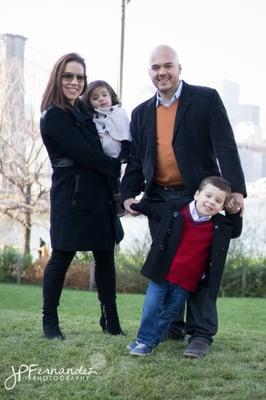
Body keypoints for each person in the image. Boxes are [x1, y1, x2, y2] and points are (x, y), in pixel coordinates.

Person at [121, 44, 246, 358]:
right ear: (149, 72)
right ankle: (171, 327)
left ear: (179, 68)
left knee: (201, 267)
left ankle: (200, 334)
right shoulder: (140, 113)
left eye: (168, 66)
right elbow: (137, 160)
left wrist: (236, 191)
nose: (162, 72)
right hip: (160, 200)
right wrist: (126, 194)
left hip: (198, 198)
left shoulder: (205, 99)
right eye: (155, 68)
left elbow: (225, 146)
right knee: (167, 267)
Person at [40, 53, 124, 340]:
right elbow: (84, 153)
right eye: (69, 76)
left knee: (105, 257)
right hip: (70, 195)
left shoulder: (86, 113)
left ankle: (110, 319)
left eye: (79, 77)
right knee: (61, 256)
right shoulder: (54, 115)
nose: (75, 82)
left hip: (98, 193)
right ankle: (50, 321)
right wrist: (117, 165)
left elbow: (107, 142)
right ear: (58, 78)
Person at [127, 176, 242, 356]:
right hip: (162, 275)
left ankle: (147, 343)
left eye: (218, 201)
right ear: (197, 194)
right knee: (151, 308)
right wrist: (135, 205)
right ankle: (144, 340)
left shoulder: (219, 225)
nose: (211, 202)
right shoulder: (177, 211)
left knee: (168, 315)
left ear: (222, 207)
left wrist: (234, 213)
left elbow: (235, 231)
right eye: (208, 196)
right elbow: (154, 209)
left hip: (185, 283)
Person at [83, 80, 131, 217]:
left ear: (111, 96)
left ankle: (119, 203)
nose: (101, 99)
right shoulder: (90, 118)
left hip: (115, 156)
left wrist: (124, 154)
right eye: (95, 98)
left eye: (104, 95)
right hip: (99, 157)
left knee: (114, 181)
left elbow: (126, 136)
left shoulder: (120, 114)